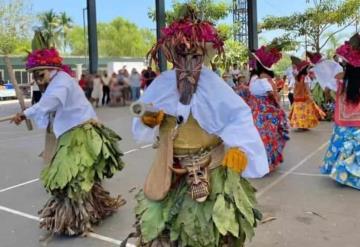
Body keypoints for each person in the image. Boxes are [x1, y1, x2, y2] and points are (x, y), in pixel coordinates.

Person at [128, 7, 268, 246]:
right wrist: (147, 119)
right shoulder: (162, 84)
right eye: (181, 54)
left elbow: (237, 116)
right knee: (161, 229)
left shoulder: (214, 84)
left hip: (210, 169)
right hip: (170, 168)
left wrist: (240, 149)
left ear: (203, 55)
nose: (187, 62)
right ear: (172, 55)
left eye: (194, 55)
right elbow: (143, 113)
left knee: (210, 233)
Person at [11, 47, 125, 236]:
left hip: (80, 133)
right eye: (35, 76)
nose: (38, 80)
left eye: (40, 75)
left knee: (70, 178)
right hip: (72, 131)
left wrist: (24, 114)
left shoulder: (61, 83)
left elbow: (49, 103)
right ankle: (94, 209)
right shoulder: (57, 81)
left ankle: (76, 219)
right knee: (80, 177)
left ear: (51, 68)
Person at [320, 33, 360, 189]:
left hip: (343, 121)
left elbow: (327, 90)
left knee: (342, 145)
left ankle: (341, 174)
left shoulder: (340, 77)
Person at [247, 40, 290, 172]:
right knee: (265, 139)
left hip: (259, 117)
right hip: (264, 117)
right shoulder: (263, 80)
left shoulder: (259, 80)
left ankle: (262, 164)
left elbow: (271, 96)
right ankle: (266, 164)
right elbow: (275, 98)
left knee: (261, 140)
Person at [288, 56, 325, 130]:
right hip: (304, 98)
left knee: (298, 112)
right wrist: (311, 96)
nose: (309, 70)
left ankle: (300, 126)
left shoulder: (297, 77)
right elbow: (307, 88)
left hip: (297, 97)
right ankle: (304, 125)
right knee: (305, 112)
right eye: (308, 68)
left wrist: (295, 64)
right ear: (304, 69)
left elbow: (293, 70)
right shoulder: (306, 77)